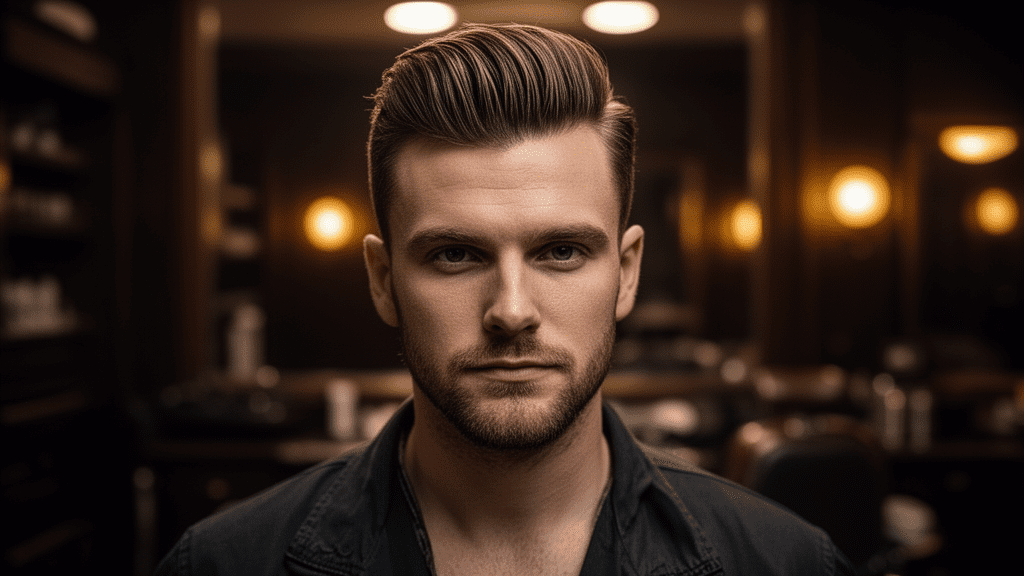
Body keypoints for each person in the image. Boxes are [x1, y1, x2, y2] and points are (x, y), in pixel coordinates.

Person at [156, 23, 855, 575]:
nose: (512, 310)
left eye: (561, 252)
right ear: (382, 280)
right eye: (455, 255)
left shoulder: (784, 562)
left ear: (628, 271)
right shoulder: (222, 564)